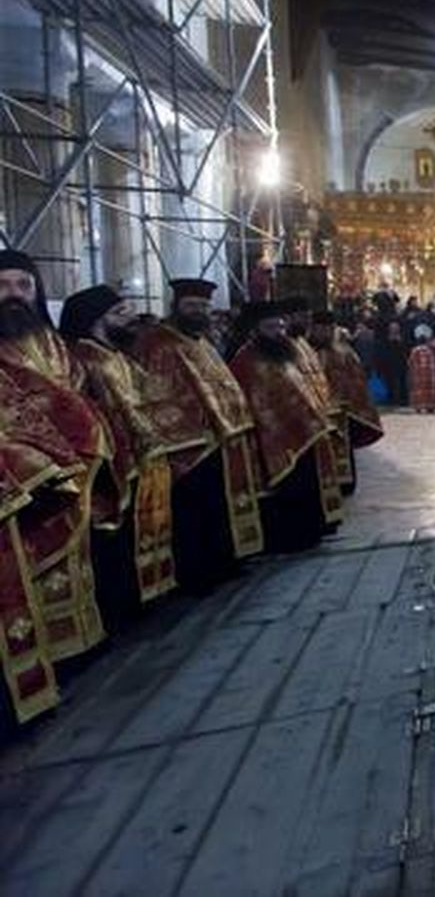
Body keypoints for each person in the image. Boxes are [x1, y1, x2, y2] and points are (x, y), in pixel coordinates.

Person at [60, 286, 201, 632]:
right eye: (120, 313)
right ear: (97, 320)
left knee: (146, 532)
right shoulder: (82, 357)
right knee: (118, 541)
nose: (131, 318)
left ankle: (149, 595)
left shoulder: (117, 354)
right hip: (117, 461)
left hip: (145, 455)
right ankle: (123, 609)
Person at [0, 251, 113, 670]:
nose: (14, 294)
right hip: (30, 482)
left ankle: (81, 641)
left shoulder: (54, 345)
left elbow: (78, 398)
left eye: (23, 285)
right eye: (4, 285)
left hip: (74, 470)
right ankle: (49, 659)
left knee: (77, 562)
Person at [131, 278, 265, 589]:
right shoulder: (158, 343)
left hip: (218, 439)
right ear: (177, 306)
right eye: (191, 306)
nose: (198, 312)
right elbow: (155, 394)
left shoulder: (201, 342)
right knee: (192, 513)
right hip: (186, 446)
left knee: (217, 506)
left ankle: (224, 561)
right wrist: (192, 428)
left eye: (203, 307)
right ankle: (198, 574)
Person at [230, 301, 343, 550]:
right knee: (285, 490)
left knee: (305, 484)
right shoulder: (245, 360)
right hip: (272, 437)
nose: (278, 332)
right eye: (271, 327)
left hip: (305, 431)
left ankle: (310, 531)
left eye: (281, 326)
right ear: (256, 330)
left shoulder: (285, 353)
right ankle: (289, 538)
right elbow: (248, 400)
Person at [310, 311, 383, 494]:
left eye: (329, 328)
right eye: (320, 328)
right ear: (313, 329)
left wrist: (352, 401)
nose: (325, 332)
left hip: (341, 412)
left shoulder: (344, 353)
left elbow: (357, 379)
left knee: (343, 447)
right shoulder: (305, 352)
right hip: (316, 412)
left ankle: (345, 484)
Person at [408, 326, 435, 412]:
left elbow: (410, 362)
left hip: (418, 375)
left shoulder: (415, 350)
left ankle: (418, 407)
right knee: (430, 390)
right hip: (429, 375)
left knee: (418, 390)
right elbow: (434, 363)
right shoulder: (430, 350)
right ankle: (430, 406)